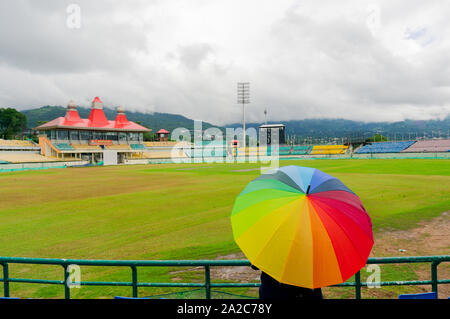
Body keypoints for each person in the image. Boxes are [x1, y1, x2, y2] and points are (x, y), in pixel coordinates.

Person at [252, 265, 323, 299]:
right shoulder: (312, 242)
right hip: (306, 289)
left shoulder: (272, 239)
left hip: (273, 291)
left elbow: (255, 265)